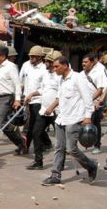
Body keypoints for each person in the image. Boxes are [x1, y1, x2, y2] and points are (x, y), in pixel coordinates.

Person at [42, 56, 98, 186]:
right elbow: (60, 98)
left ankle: (91, 166)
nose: (54, 69)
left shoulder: (78, 78)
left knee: (71, 149)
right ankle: (55, 175)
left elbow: (87, 98)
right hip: (61, 118)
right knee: (59, 147)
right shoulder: (62, 80)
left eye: (57, 67)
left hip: (74, 119)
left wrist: (88, 116)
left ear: (65, 66)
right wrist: (51, 108)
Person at [22, 45, 48, 169]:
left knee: (36, 130)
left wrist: (33, 94)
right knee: (33, 127)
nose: (31, 58)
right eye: (30, 56)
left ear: (39, 57)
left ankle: (38, 155)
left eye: (33, 57)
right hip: (29, 102)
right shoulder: (27, 66)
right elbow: (23, 82)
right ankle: (33, 153)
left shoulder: (45, 70)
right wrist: (24, 96)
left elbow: (45, 89)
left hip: (41, 102)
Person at [82, 53, 107, 154]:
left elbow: (101, 89)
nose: (83, 64)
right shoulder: (81, 74)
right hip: (83, 104)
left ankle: (97, 145)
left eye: (86, 62)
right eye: (82, 62)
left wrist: (95, 101)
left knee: (95, 125)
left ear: (92, 62)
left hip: (95, 103)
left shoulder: (99, 72)